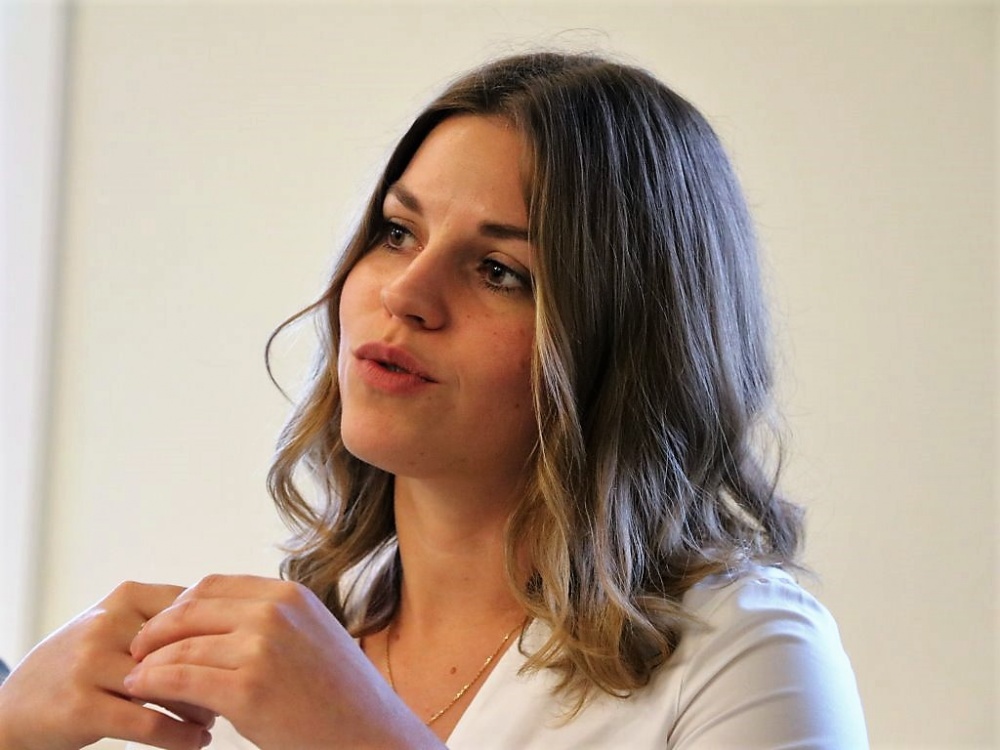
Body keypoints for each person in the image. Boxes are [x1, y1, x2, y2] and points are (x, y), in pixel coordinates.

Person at [0, 51, 868, 749]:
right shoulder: (280, 646)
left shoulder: (748, 654)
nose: (406, 291)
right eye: (396, 232)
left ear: (629, 344)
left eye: (499, 270)